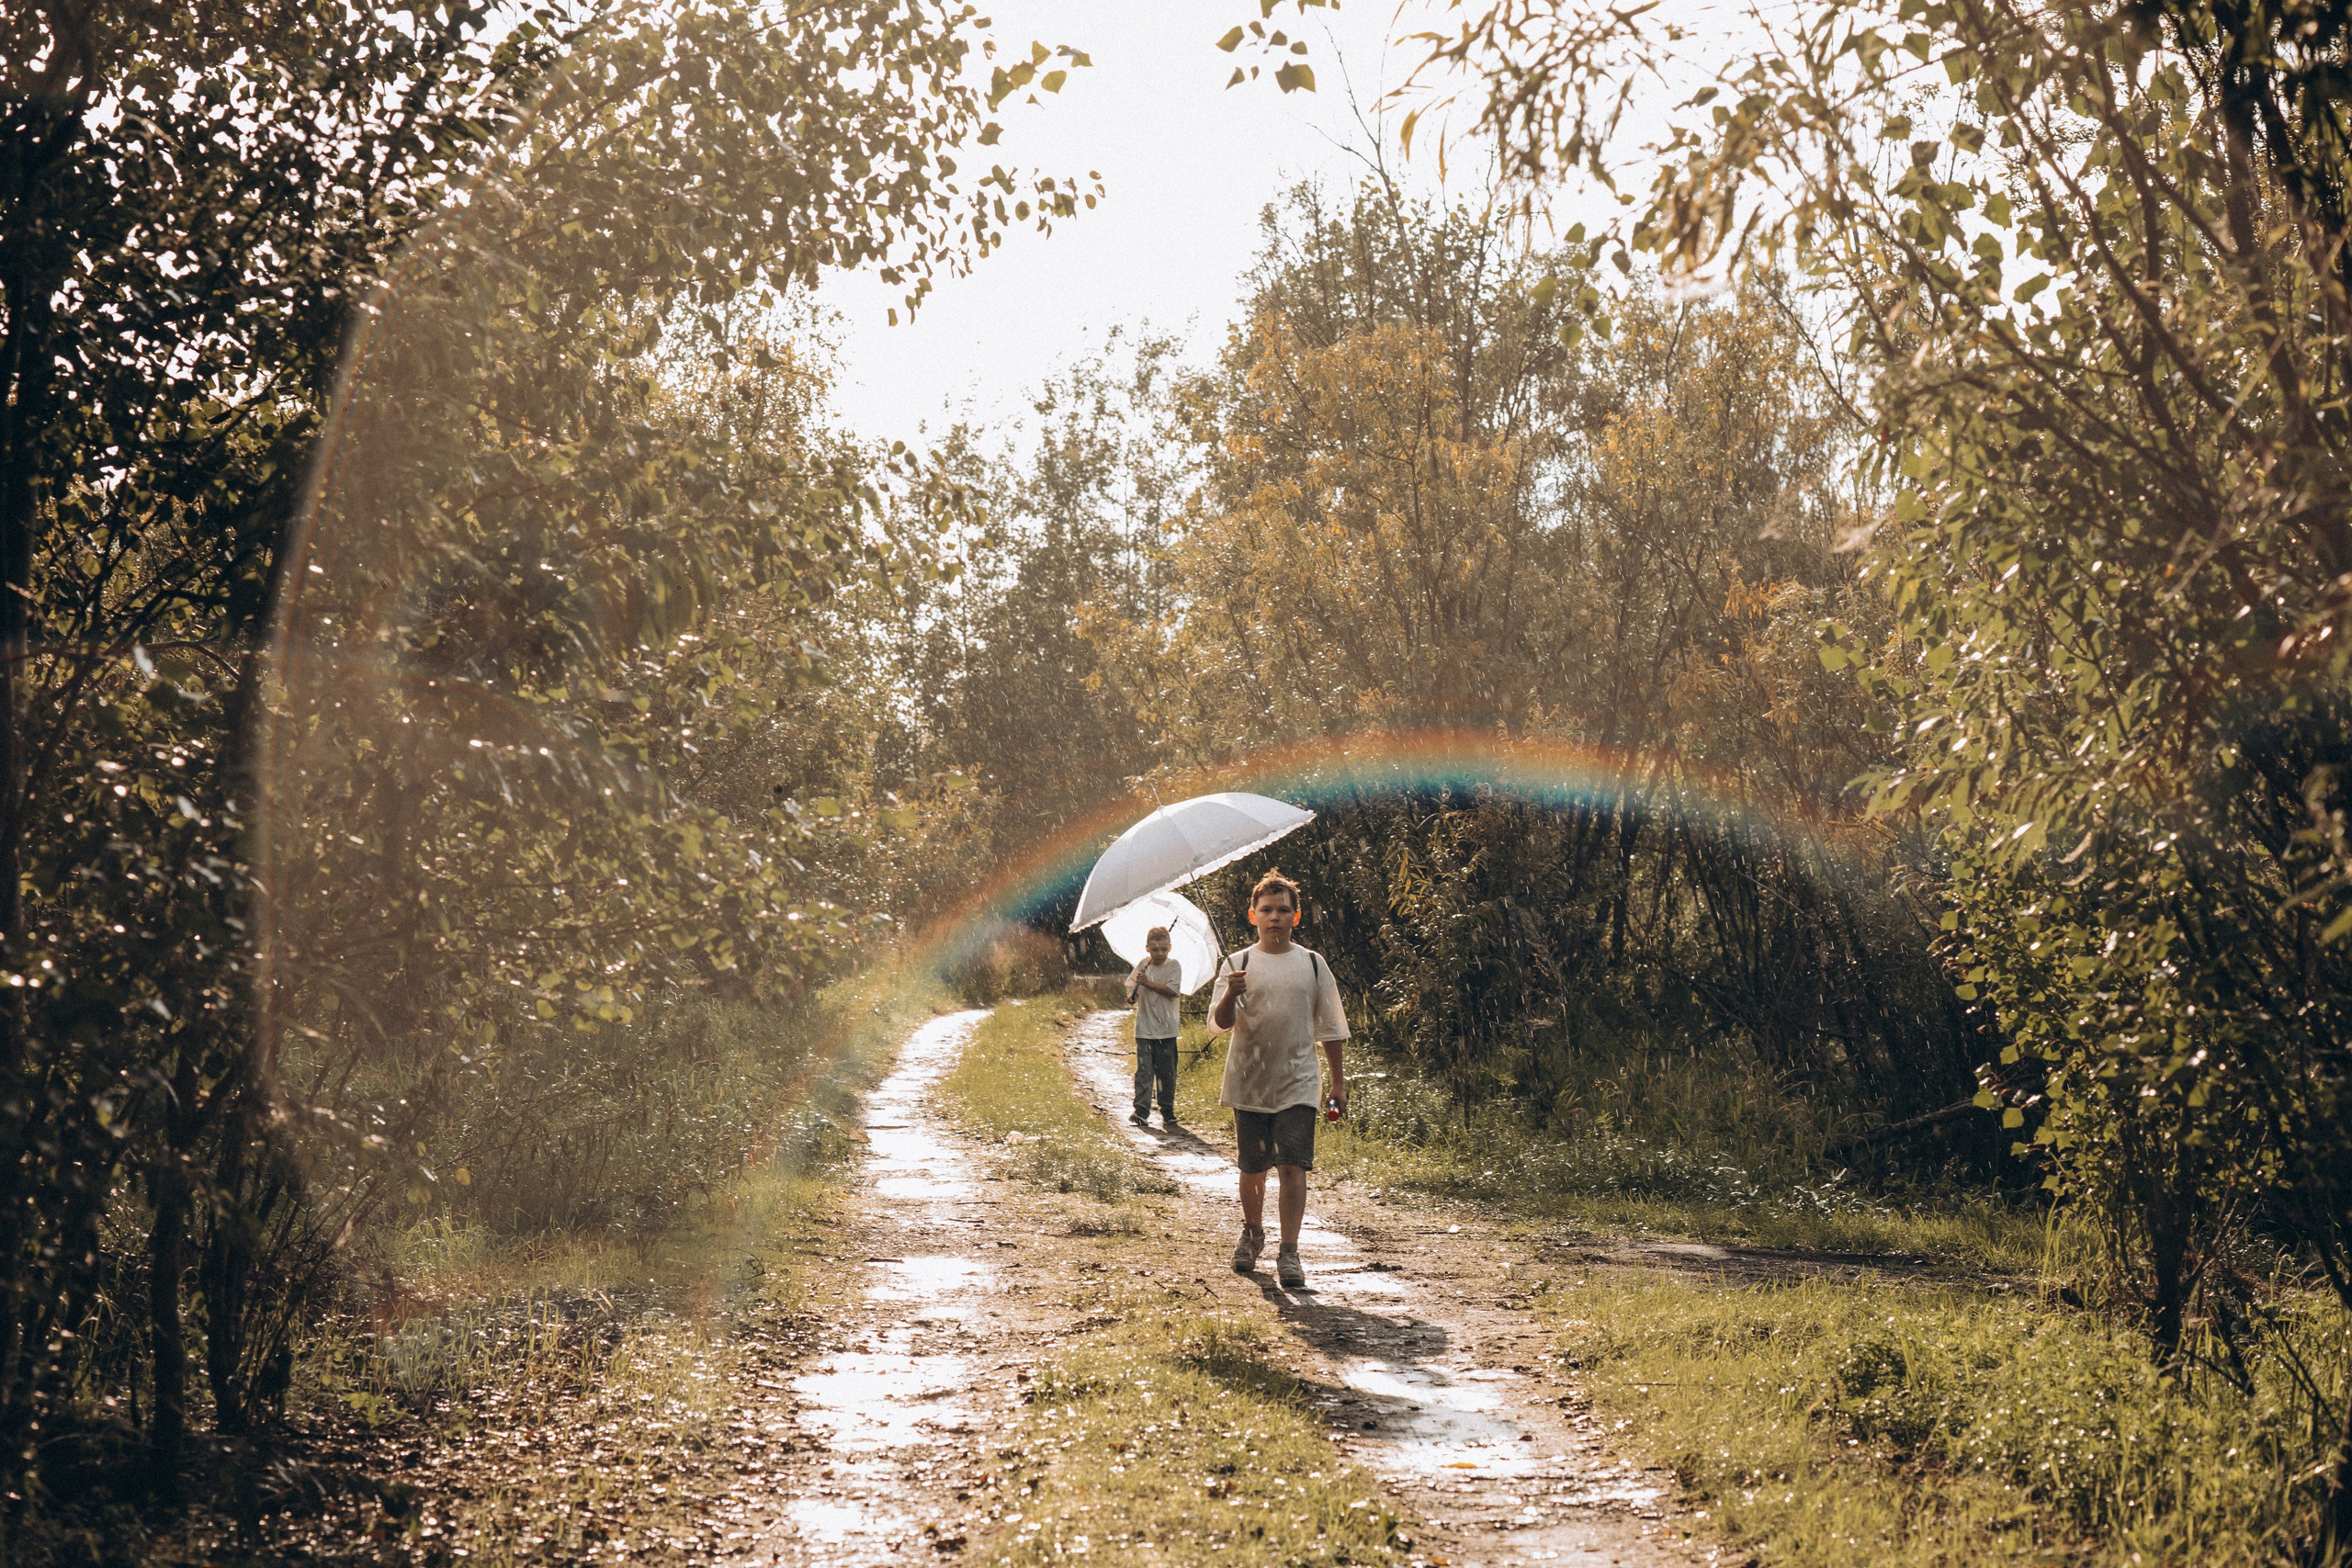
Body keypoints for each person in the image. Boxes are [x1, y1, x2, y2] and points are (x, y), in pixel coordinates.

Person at [1210, 869, 1348, 1290]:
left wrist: (1338, 1083)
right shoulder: (1238, 963)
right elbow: (1219, 1023)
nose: (1275, 917)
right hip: (1249, 1081)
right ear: (1253, 916)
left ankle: (1290, 1251)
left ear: (1296, 917)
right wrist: (1232, 992)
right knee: (1253, 1166)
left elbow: (1330, 1027)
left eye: (1283, 910)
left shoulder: (1311, 963)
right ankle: (1252, 1233)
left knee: (1293, 1164)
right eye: (1266, 910)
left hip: (1298, 1081)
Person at [1127, 926, 1184, 1129]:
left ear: (1170, 948)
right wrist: (1132, 994)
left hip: (1167, 1029)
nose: (1159, 954)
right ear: (1147, 949)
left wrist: (1148, 983)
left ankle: (1167, 1110)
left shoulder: (1174, 966)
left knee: (1166, 1072)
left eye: (1163, 949)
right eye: (1154, 950)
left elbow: (1171, 991)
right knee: (1144, 1071)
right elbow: (1131, 991)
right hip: (1144, 1029)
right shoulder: (1142, 966)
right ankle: (1141, 1111)